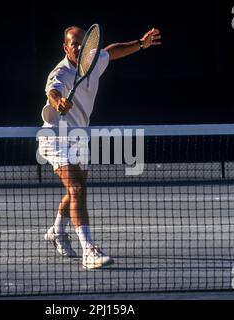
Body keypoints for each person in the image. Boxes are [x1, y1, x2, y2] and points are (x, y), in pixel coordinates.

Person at [39, 25, 161, 269]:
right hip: (56, 137)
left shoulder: (94, 60)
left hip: (80, 137)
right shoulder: (60, 73)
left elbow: (111, 51)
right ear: (66, 48)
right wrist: (59, 101)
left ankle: (56, 231)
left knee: (77, 189)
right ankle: (89, 251)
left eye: (83, 43)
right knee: (76, 187)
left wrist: (141, 43)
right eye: (74, 44)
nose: (79, 47)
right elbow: (52, 91)